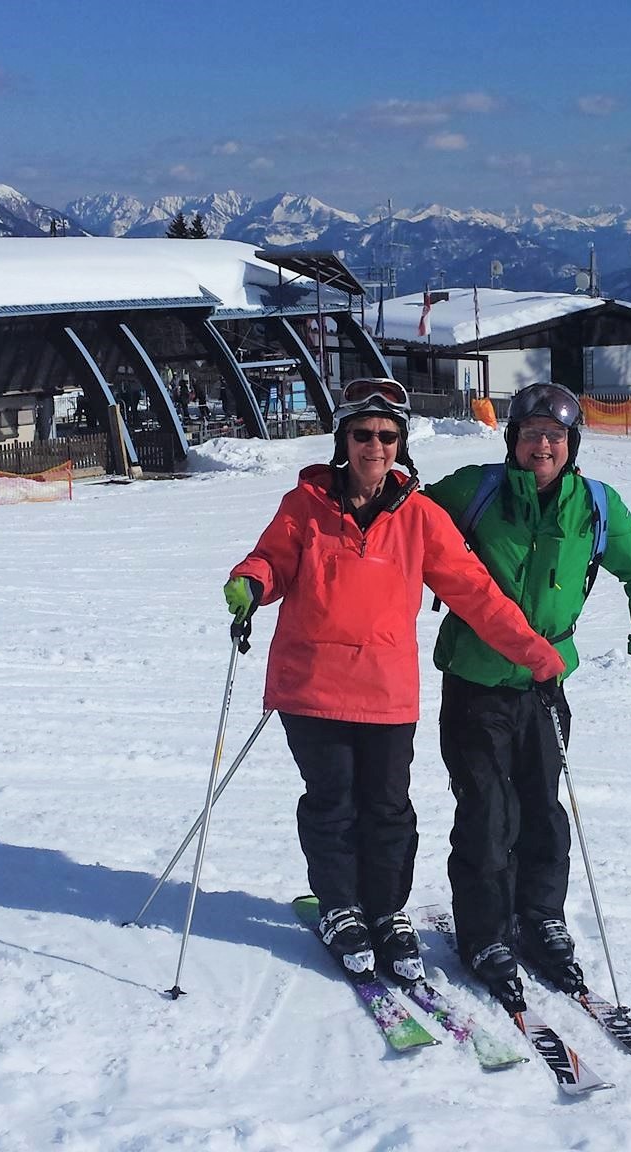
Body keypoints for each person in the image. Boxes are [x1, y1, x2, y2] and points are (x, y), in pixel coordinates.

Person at [225, 379, 565, 986]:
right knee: (333, 804)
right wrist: (251, 582)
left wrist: (535, 653)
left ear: (401, 443)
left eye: (387, 435)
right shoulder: (303, 506)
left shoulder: (420, 517)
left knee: (388, 810)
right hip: (312, 686)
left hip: (386, 691)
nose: (374, 446)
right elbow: (273, 560)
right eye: (362, 434)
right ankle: (341, 906)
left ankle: (386, 910)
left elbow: (476, 594)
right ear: (343, 441)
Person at [424, 382, 631, 1004]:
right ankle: (485, 931)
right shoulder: (473, 491)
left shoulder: (595, 506)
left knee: (542, 811)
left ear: (572, 445)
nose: (542, 447)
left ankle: (539, 918)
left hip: (547, 681)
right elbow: (408, 527)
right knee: (486, 812)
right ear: (513, 440)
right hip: (477, 678)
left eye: (555, 438)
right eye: (531, 435)